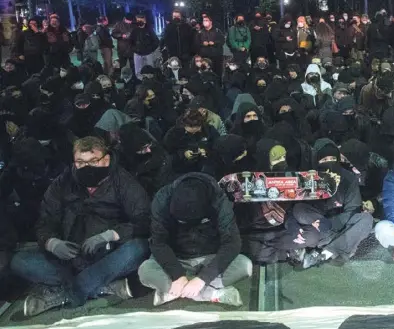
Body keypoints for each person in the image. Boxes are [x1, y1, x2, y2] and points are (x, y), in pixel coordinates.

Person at [10, 136, 150, 317]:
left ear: (105, 159)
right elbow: (45, 221)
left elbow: (144, 220)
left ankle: (68, 292)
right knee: (19, 261)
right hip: (68, 257)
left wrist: (110, 235)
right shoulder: (62, 183)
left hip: (108, 254)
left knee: (139, 248)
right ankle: (102, 286)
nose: (87, 167)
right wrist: (51, 243)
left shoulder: (123, 182)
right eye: (80, 162)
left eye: (93, 161)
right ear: (74, 163)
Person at [138, 173, 252, 306]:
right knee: (145, 271)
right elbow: (158, 243)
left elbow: (232, 243)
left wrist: (203, 278)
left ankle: (172, 291)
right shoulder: (162, 199)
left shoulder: (219, 201)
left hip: (210, 256)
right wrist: (177, 275)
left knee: (245, 266)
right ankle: (212, 294)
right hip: (175, 257)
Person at [298, 139, 374, 269]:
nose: (329, 164)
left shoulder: (348, 178)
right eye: (324, 160)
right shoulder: (307, 178)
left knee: (366, 219)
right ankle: (341, 247)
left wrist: (332, 224)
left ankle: (326, 252)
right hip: (319, 225)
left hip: (340, 223)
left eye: (333, 158)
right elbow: (303, 210)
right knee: (300, 211)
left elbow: (353, 210)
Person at [131, 14, 161, 79]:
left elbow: (156, 41)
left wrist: (150, 49)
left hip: (148, 54)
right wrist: (135, 49)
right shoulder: (134, 30)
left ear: (144, 21)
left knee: (150, 70)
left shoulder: (149, 30)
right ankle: (141, 84)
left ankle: (151, 83)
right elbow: (130, 42)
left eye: (140, 20)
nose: (139, 22)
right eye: (137, 20)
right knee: (138, 72)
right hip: (137, 54)